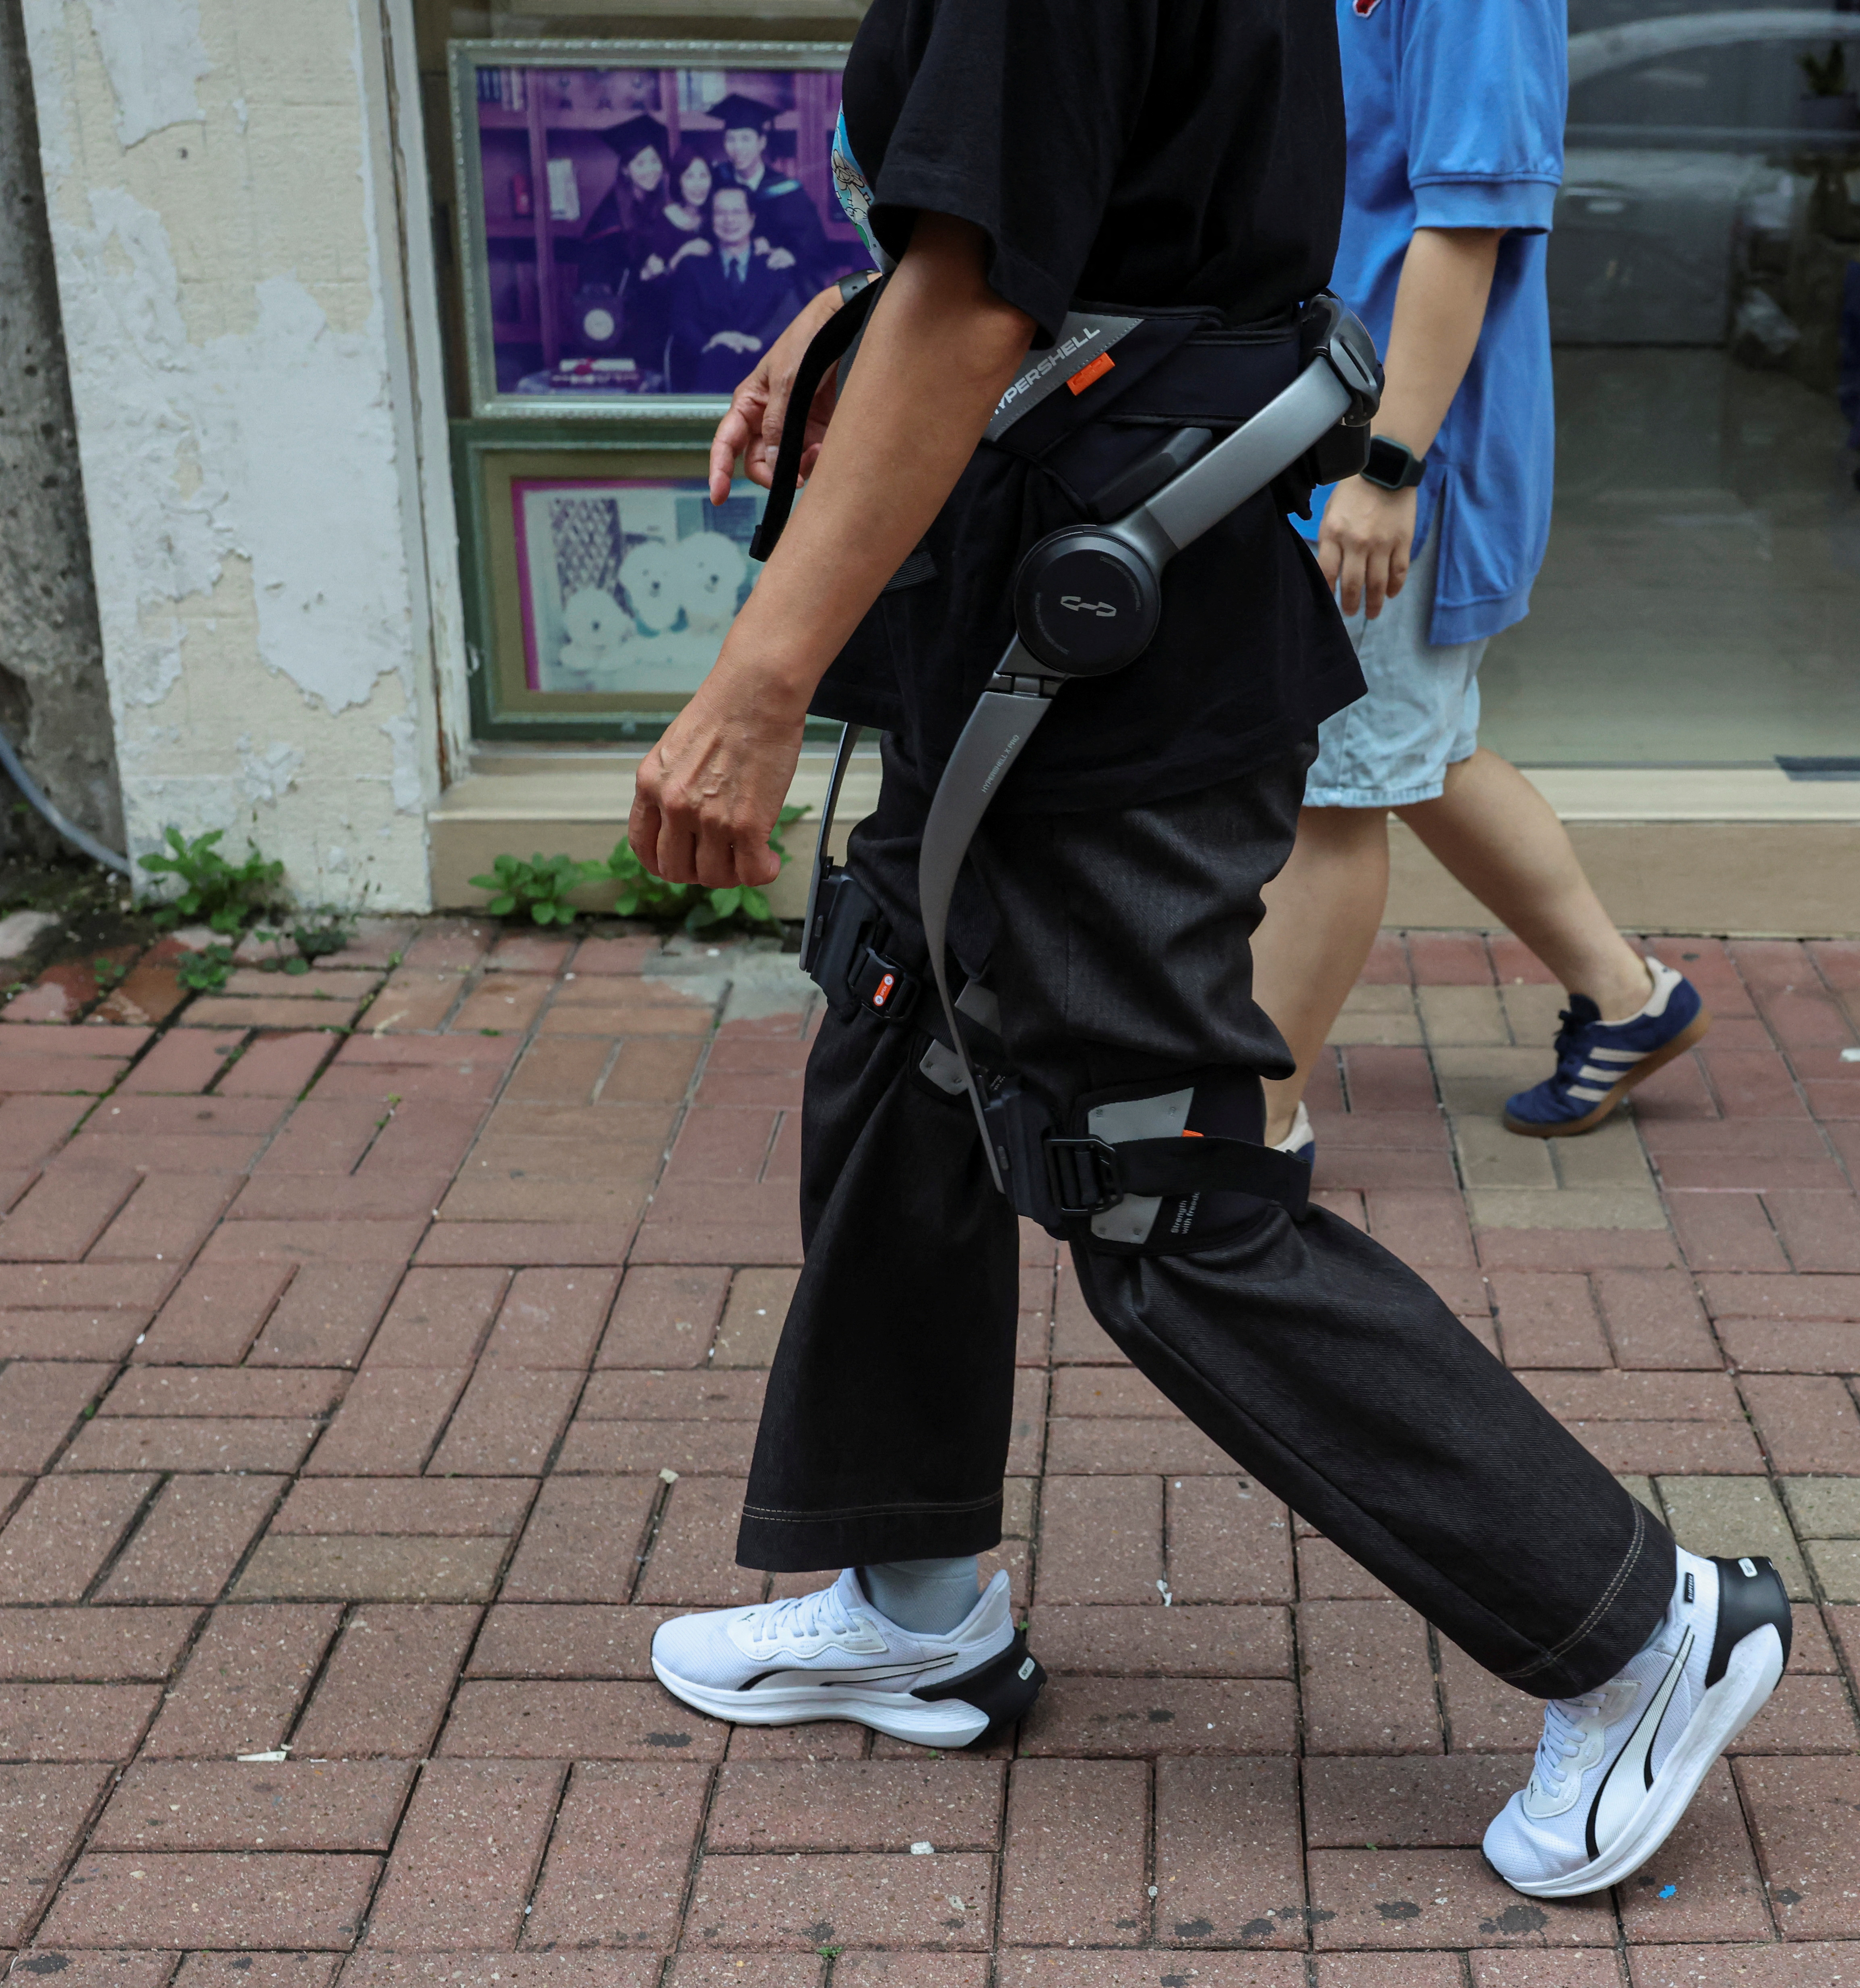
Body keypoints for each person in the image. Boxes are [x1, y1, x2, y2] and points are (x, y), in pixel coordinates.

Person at [625, 0, 1789, 1902]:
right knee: (906, 1033)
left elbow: (994, 292)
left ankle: (1644, 1625)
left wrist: (758, 679)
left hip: (1104, 643)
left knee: (1155, 1183)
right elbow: (1096, 228)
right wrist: (862, 311)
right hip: (1050, 579)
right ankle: (912, 1590)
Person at [1248, 0, 1709, 1160]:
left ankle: (1251, 1129)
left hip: (1392, 448)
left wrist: (1387, 467)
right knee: (1415, 748)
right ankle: (1629, 997)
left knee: (1334, 787)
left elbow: (1468, 222)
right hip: (1315, 422)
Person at [664, 185, 802, 393]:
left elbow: (791, 319)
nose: (729, 220)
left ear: (752, 218)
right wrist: (711, 343)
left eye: (737, 212)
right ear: (711, 219)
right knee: (720, 357)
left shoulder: (774, 265)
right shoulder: (693, 266)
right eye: (721, 213)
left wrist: (756, 342)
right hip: (708, 367)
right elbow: (682, 320)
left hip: (763, 365)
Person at [707, 91, 846, 289]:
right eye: (731, 139)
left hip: (775, 282)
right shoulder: (717, 183)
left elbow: (813, 243)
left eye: (746, 139)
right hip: (725, 282)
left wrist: (791, 254)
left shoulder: (787, 191)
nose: (737, 148)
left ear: (762, 142)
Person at [573, 114, 672, 374]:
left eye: (654, 161)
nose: (650, 169)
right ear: (626, 170)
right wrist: (642, 275)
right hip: (623, 320)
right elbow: (597, 280)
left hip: (655, 309)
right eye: (640, 163)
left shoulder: (655, 203)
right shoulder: (609, 219)